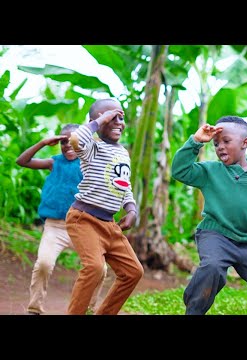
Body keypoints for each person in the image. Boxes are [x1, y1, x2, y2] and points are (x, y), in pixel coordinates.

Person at [171, 116, 247, 315]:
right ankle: (194, 310)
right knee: (213, 267)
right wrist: (196, 141)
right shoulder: (211, 171)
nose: (220, 147)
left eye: (226, 141)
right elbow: (179, 171)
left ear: (245, 143)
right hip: (215, 235)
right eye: (216, 143)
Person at [16, 124, 107, 315]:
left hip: (82, 226)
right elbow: (22, 161)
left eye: (72, 141)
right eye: (63, 142)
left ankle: (89, 309)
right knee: (44, 264)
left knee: (100, 268)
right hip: (55, 227)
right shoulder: (53, 162)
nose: (67, 146)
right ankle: (34, 309)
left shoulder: (89, 164)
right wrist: (42, 142)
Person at [65, 98, 144, 315]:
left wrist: (131, 209)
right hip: (84, 219)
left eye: (120, 117)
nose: (118, 122)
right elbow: (75, 139)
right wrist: (99, 121)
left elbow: (123, 184)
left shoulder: (122, 152)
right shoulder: (92, 148)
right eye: (111, 118)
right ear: (96, 121)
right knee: (94, 268)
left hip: (110, 225)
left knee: (133, 271)